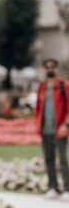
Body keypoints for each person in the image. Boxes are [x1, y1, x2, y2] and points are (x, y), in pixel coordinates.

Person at [34, 57, 69, 199]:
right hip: (45, 130)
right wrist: (38, 125)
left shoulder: (64, 86)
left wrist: (66, 125)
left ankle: (67, 189)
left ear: (57, 68)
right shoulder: (42, 88)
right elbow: (38, 108)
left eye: (52, 66)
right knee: (49, 159)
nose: (50, 69)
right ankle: (52, 188)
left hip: (60, 130)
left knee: (62, 160)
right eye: (47, 67)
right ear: (44, 69)